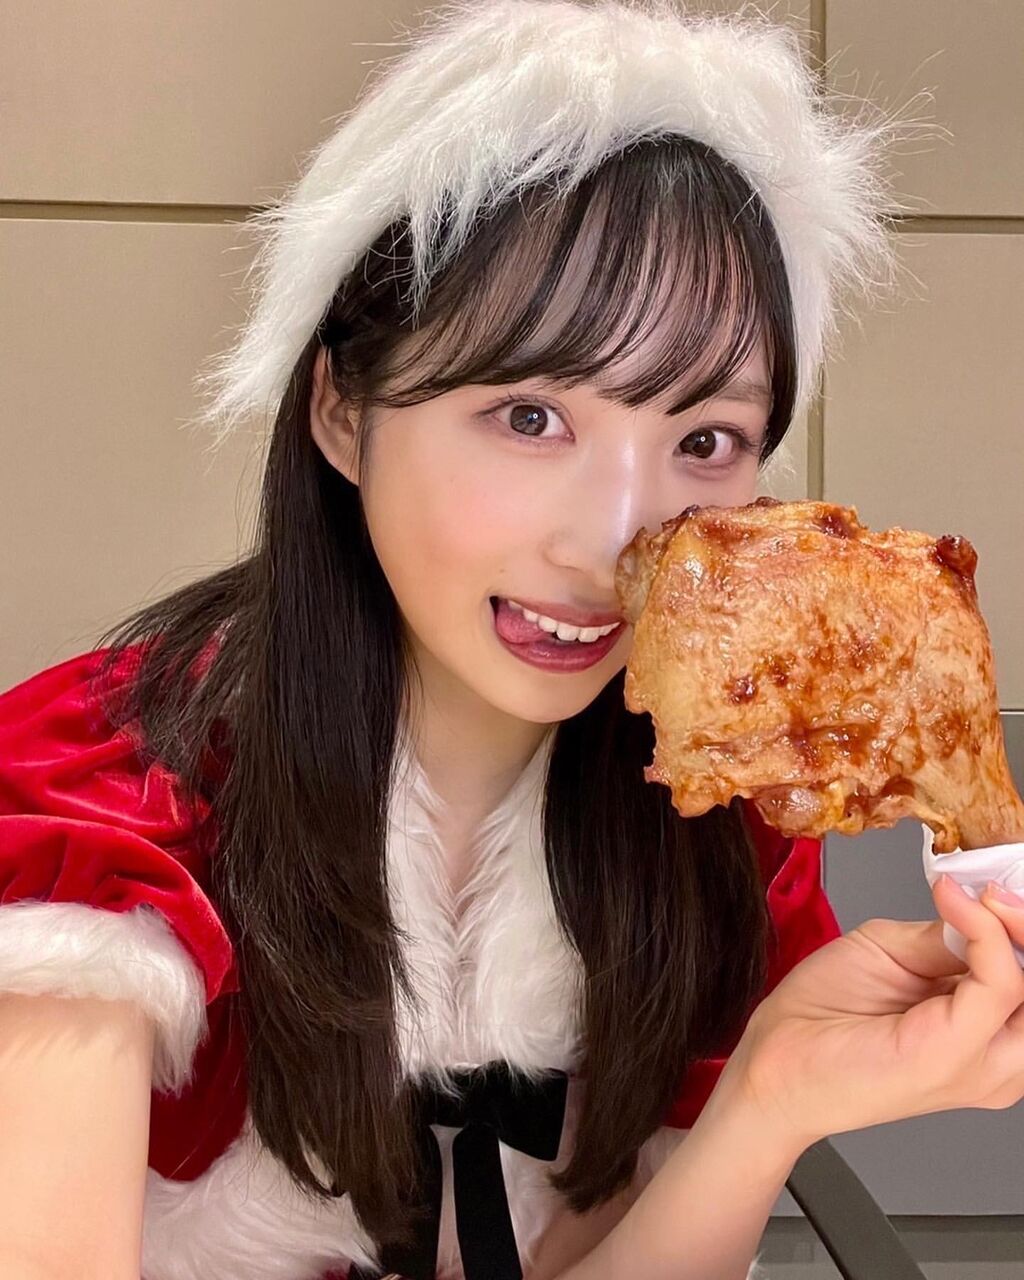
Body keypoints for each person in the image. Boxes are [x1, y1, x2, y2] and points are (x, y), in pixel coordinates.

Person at [2, 2, 1023, 1279]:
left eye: (703, 439)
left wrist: (772, 1097)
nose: (613, 540)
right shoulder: (91, 811)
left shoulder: (709, 826)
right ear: (341, 410)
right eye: (531, 416)